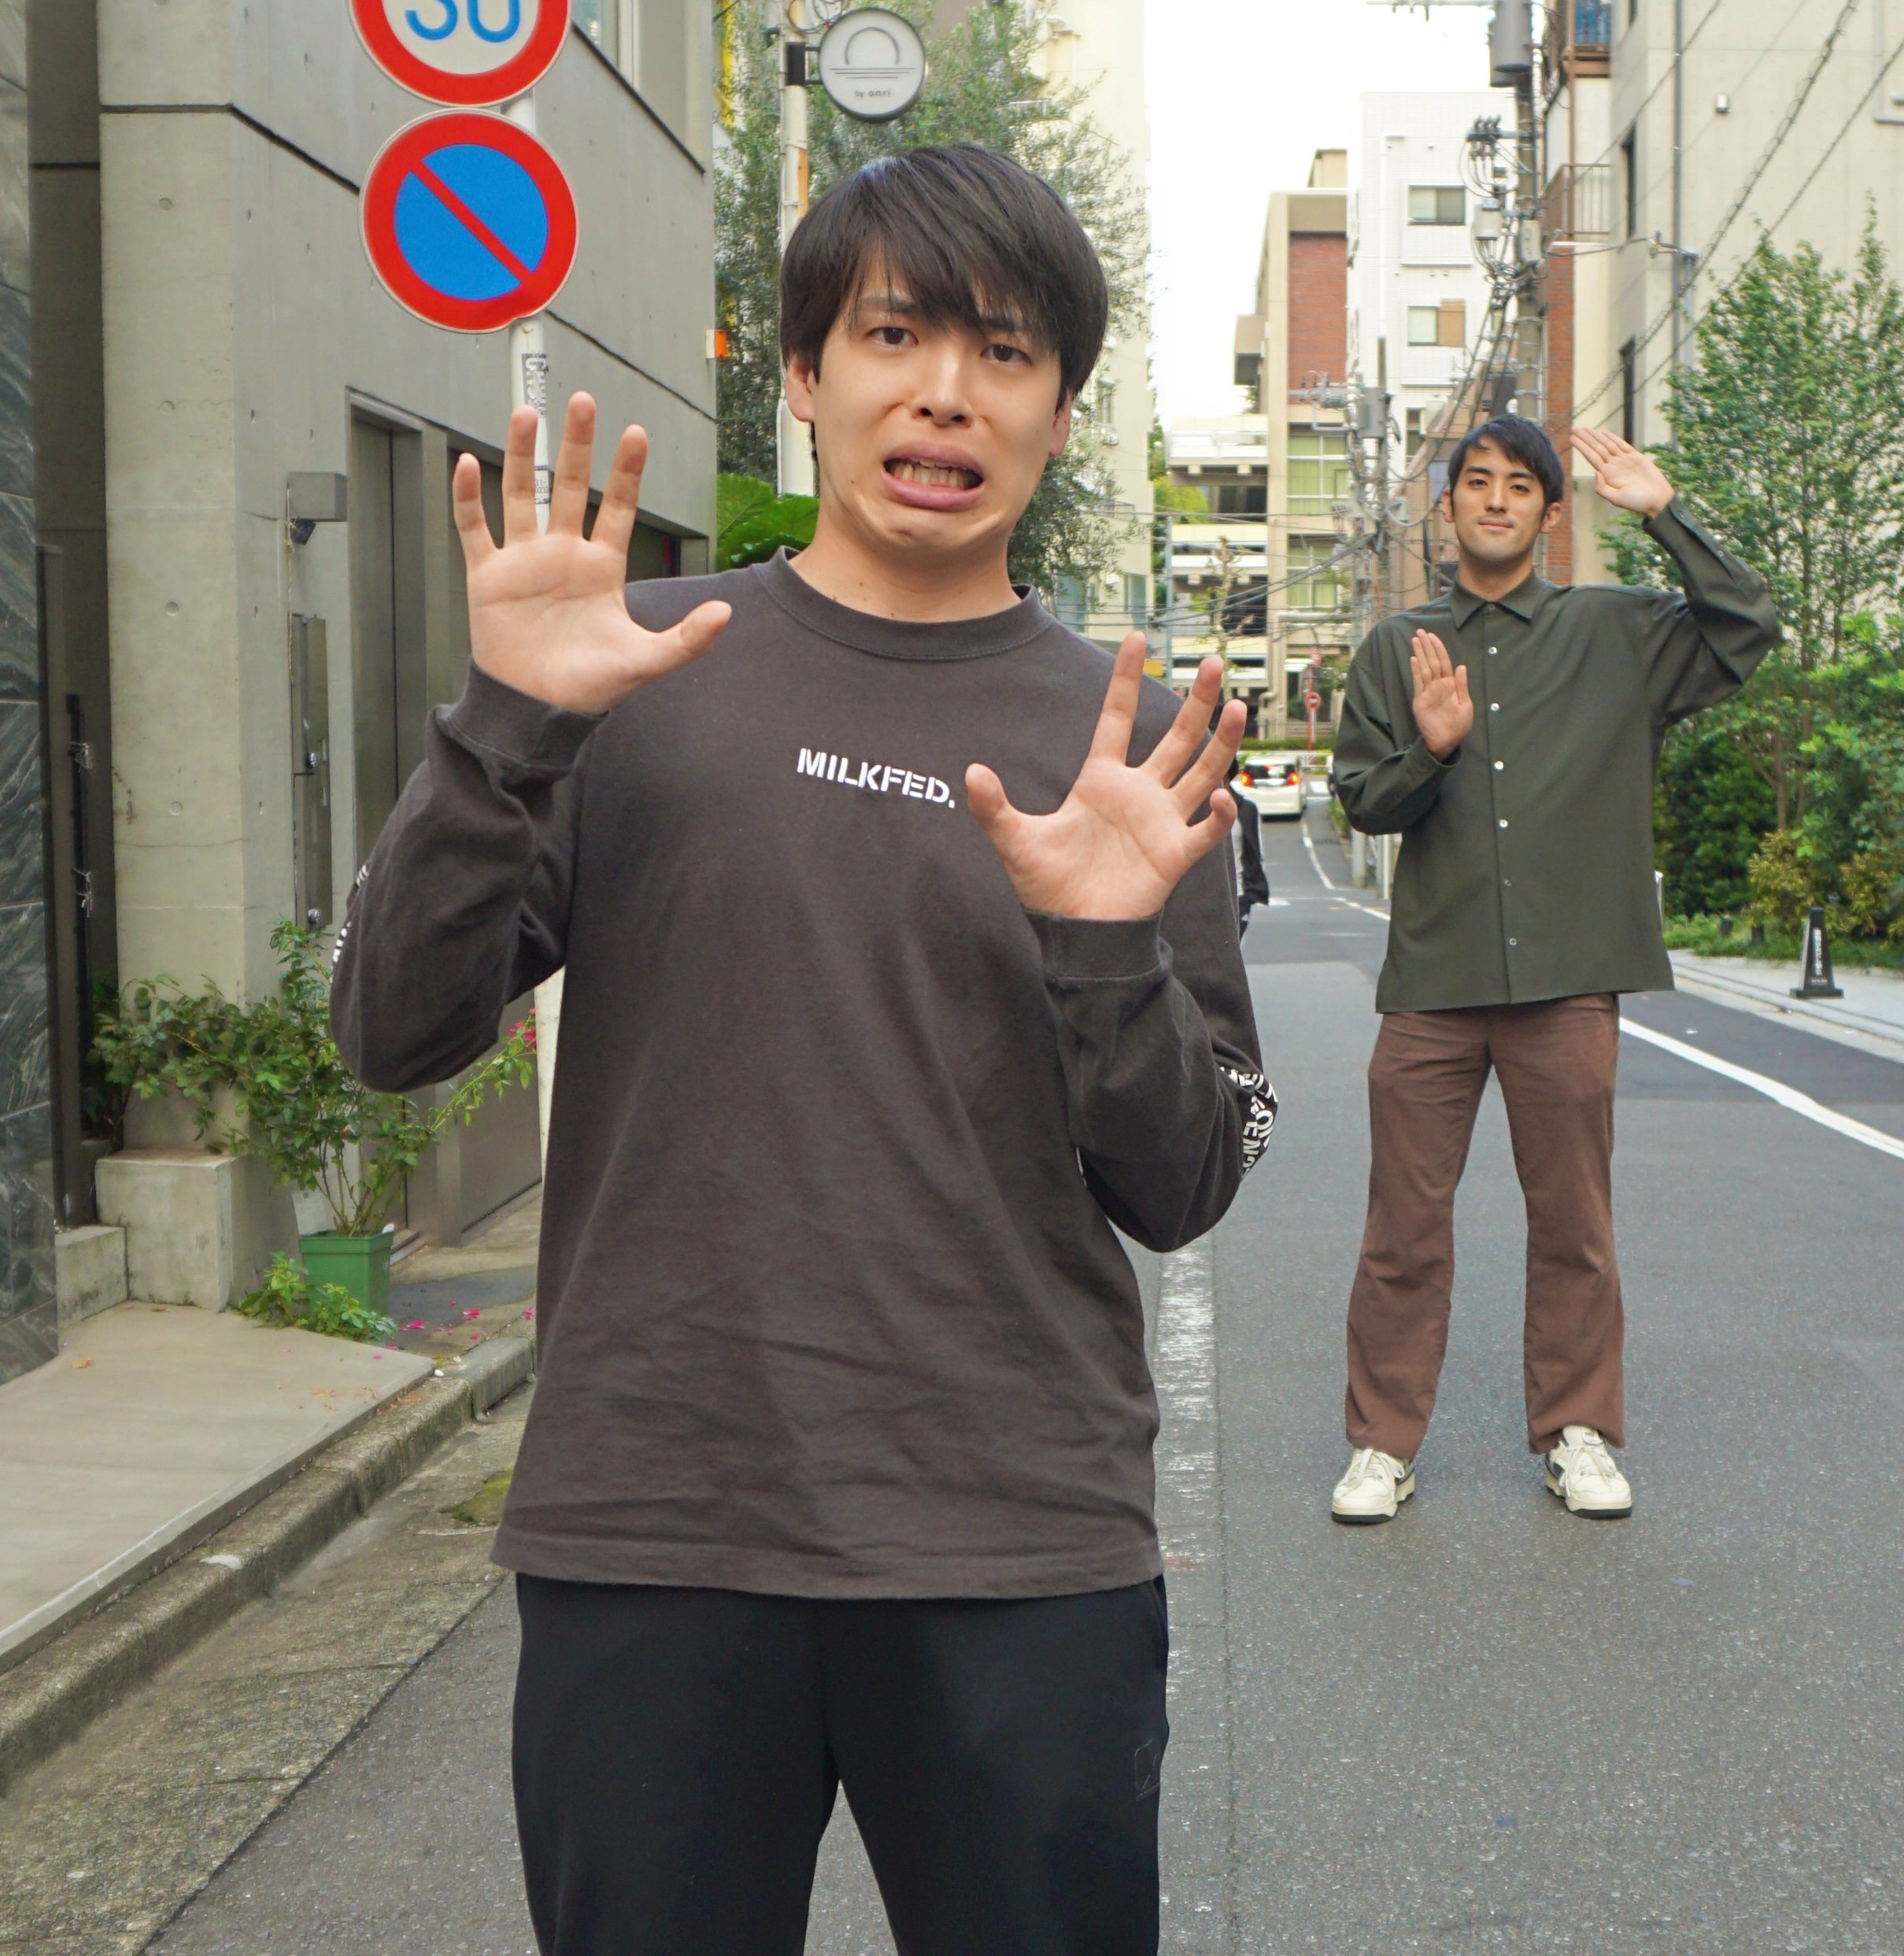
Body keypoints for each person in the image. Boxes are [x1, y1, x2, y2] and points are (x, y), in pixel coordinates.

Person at [331, 144, 1277, 1955]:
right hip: (653, 1523)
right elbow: (392, 1031)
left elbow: (1182, 1181)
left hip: (1018, 1541)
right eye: (894, 334)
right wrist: (501, 730)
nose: (944, 392)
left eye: (1003, 351)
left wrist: (1101, 948)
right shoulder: (631, 674)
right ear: (802, 373)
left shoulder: (1129, 741)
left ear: (1060, 405)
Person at [1327, 416, 1776, 1526]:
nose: (1494, 499)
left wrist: (1665, 514)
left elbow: (1745, 627)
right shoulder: (1396, 647)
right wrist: (1430, 747)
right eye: (1475, 482)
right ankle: (1382, 1442)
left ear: (1549, 510)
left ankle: (1578, 1431)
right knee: (1401, 1228)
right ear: (1446, 507)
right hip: (1433, 983)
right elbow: (1363, 801)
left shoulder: (1615, 630)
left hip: (1570, 978)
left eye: (1518, 485)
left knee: (1573, 1224)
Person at [1229, 768, 1270, 937]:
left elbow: (1256, 854)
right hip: (1203, 899)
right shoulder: (1195, 809)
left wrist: (1250, 894)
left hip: (1239, 897)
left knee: (1232, 948)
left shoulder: (1246, 810)